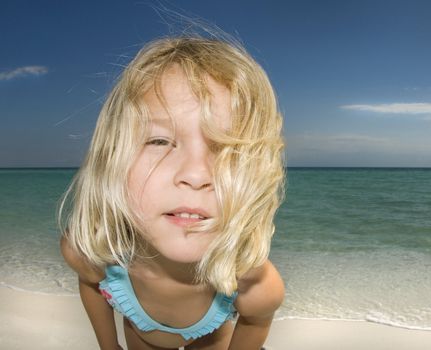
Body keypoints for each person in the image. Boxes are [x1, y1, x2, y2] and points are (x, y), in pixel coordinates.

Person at [59, 35, 285, 350]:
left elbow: (256, 320)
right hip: (141, 331)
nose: (196, 174)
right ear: (110, 158)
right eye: (160, 141)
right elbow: (90, 285)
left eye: (226, 150)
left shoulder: (255, 286)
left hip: (212, 336)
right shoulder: (88, 251)